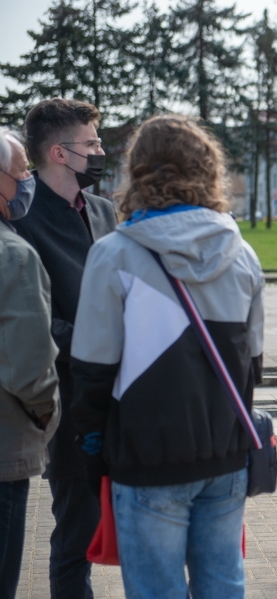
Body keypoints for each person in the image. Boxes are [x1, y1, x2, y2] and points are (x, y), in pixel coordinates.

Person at [68, 115, 265, 598]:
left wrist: (93, 449)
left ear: (138, 171)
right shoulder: (242, 254)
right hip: (225, 455)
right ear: (208, 170)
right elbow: (252, 365)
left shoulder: (114, 254)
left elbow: (92, 372)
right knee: (223, 586)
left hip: (145, 457)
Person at [15, 98, 116, 598]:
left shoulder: (103, 209)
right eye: (92, 143)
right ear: (59, 152)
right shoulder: (22, 219)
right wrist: (93, 341)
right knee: (78, 528)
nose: (101, 151)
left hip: (122, 391)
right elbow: (25, 318)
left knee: (142, 518)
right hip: (69, 399)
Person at [0, 128, 60, 599]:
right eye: (21, 171)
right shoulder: (13, 255)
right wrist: (47, 414)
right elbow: (31, 368)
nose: (27, 181)